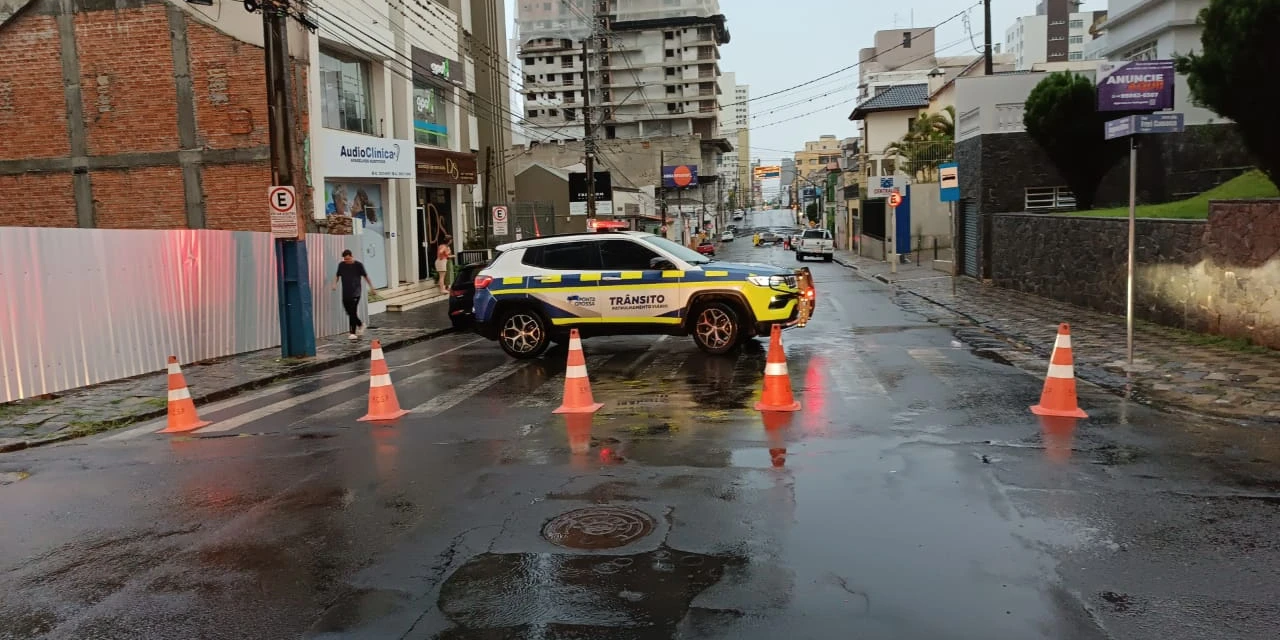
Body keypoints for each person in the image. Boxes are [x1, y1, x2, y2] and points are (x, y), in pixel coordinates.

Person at [332, 249, 375, 340]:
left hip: (356, 292)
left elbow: (365, 276)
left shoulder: (358, 265)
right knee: (348, 310)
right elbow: (337, 275)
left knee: (352, 311)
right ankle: (360, 324)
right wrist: (334, 284)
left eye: (348, 259)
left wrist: (372, 287)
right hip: (346, 292)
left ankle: (352, 332)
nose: (347, 261)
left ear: (352, 256)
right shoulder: (342, 265)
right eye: (345, 259)